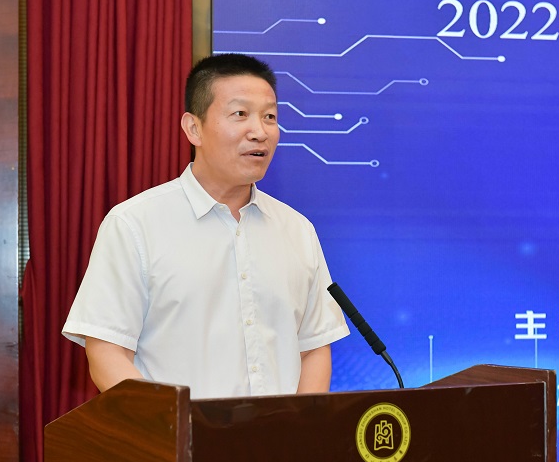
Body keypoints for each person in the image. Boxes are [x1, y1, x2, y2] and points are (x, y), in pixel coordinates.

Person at [62, 54, 349, 399]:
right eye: (240, 114)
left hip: (277, 433)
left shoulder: (297, 230)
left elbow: (314, 348)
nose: (260, 132)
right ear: (193, 128)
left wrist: (300, 424)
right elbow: (107, 352)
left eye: (269, 117)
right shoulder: (134, 224)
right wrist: (172, 424)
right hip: (175, 432)